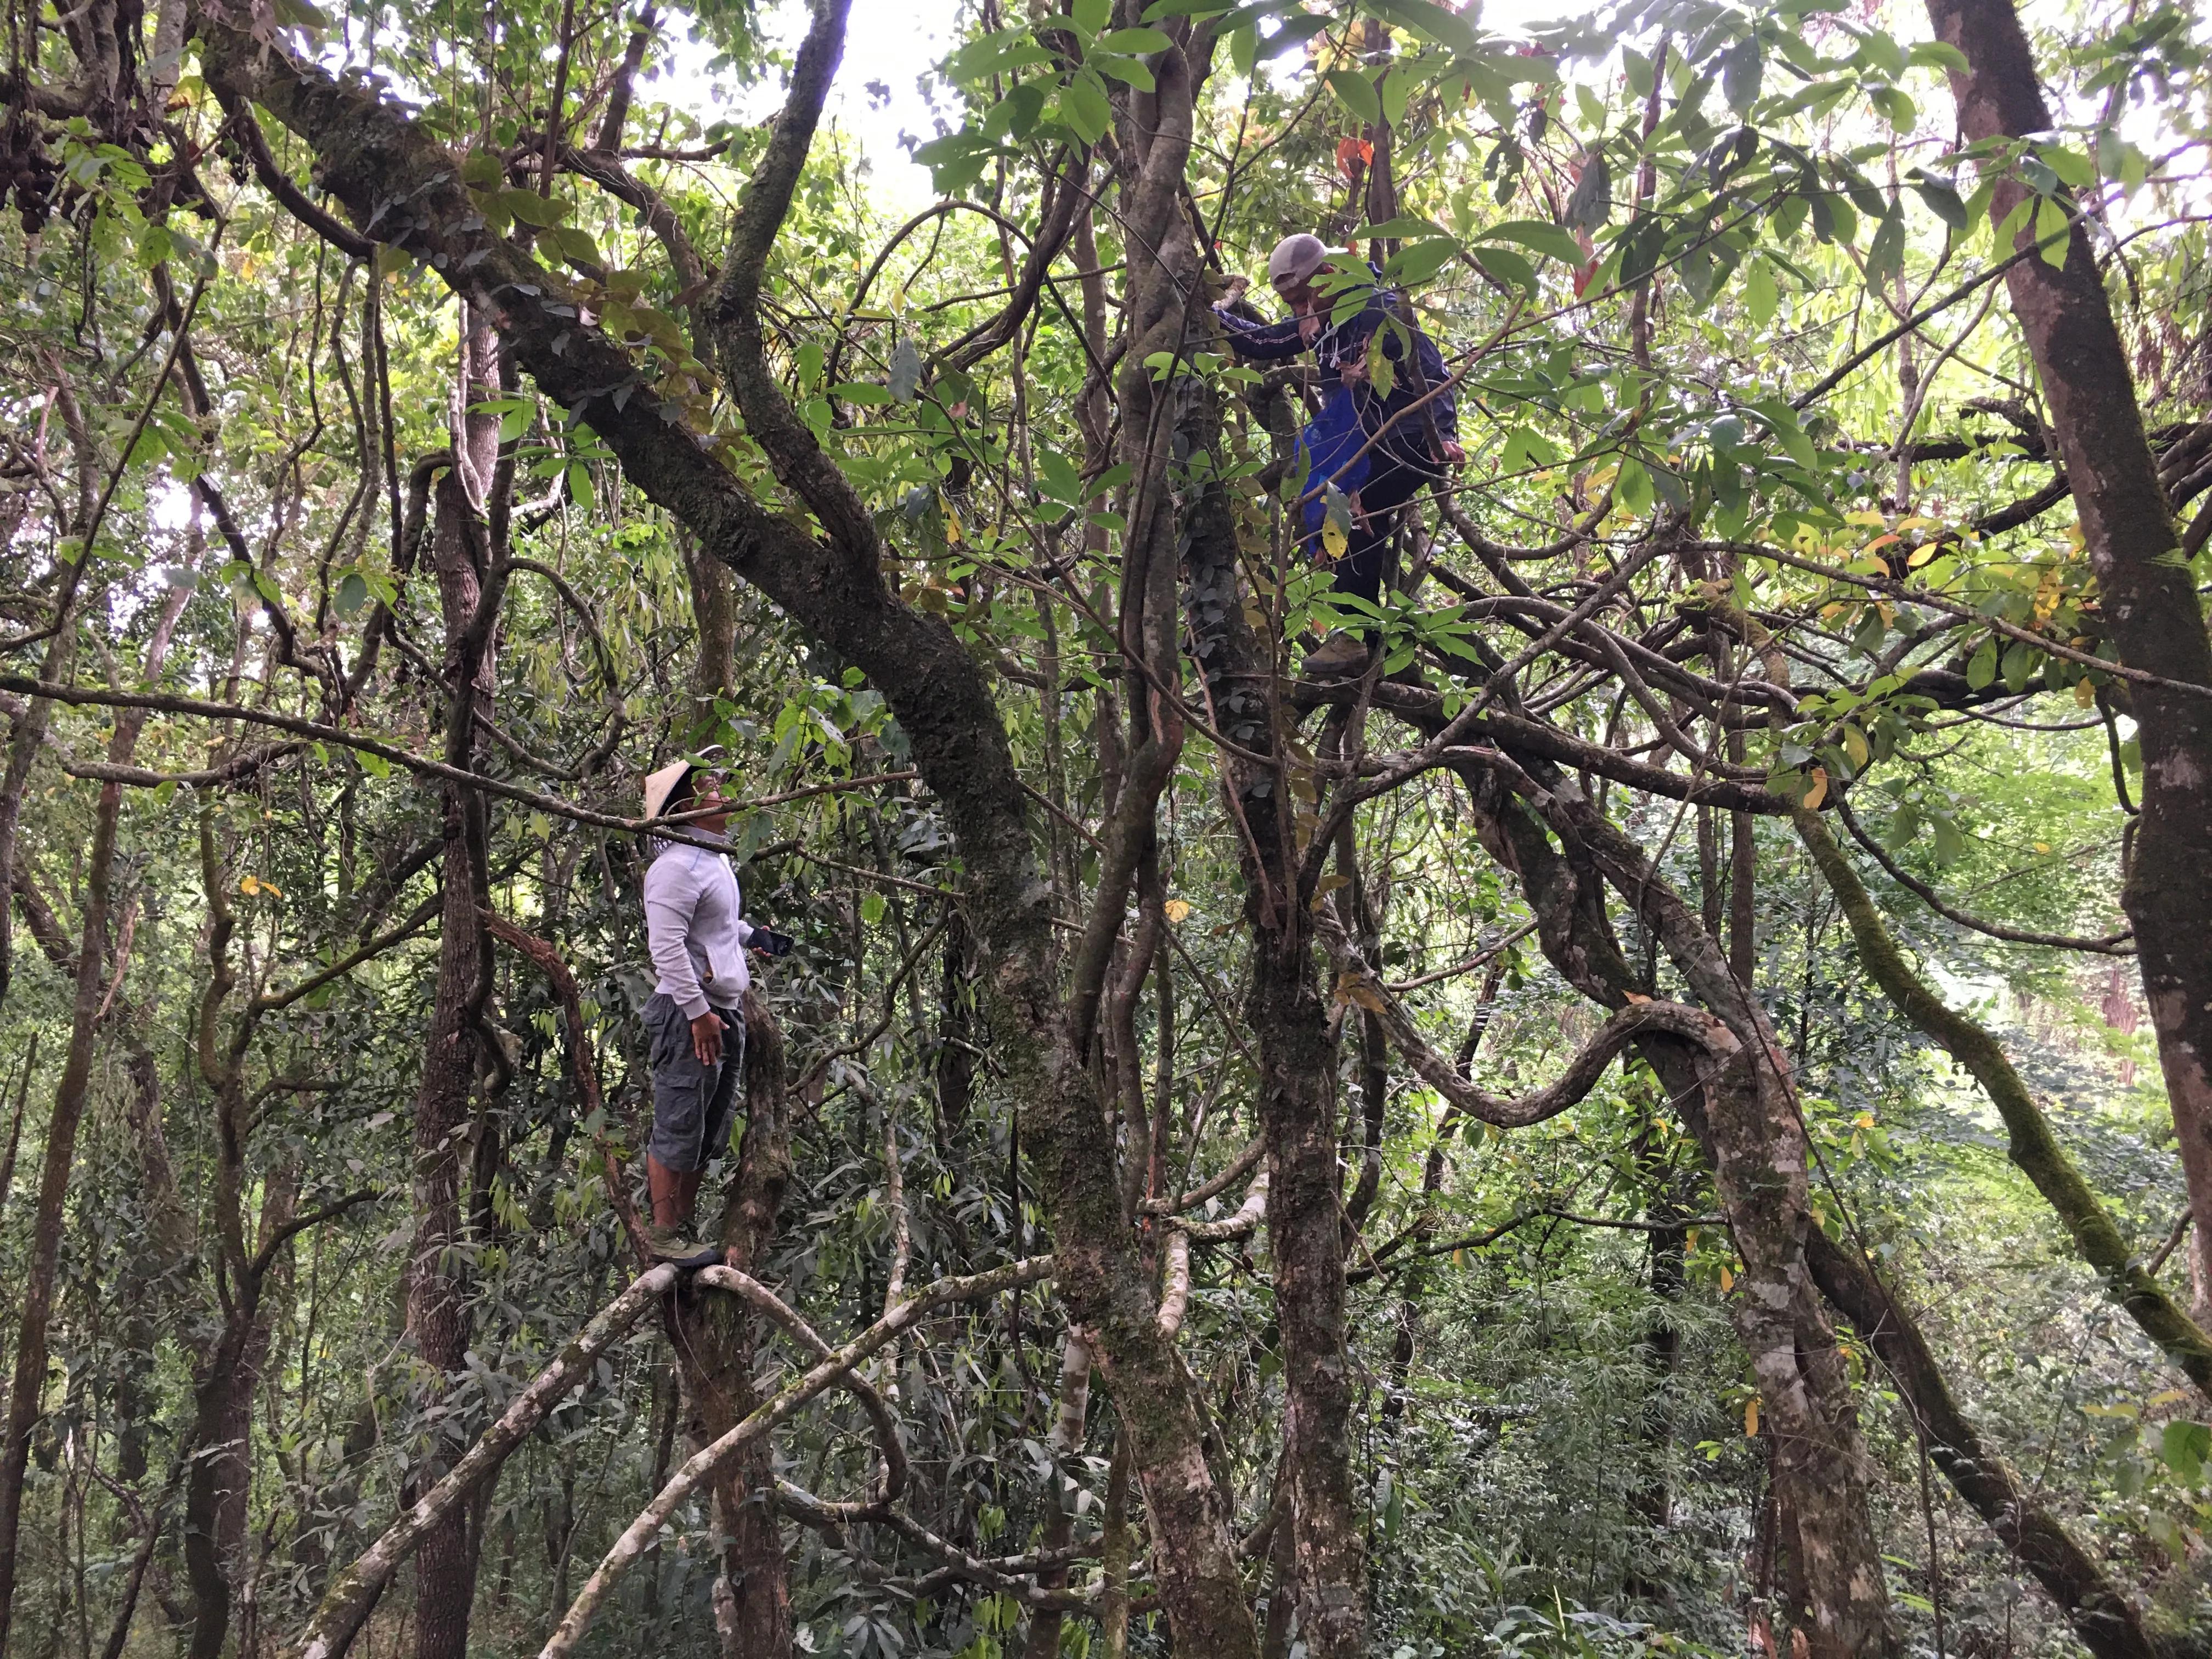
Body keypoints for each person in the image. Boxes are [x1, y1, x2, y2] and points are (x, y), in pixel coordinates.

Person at [1215, 232, 1465, 676]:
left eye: (1302, 298)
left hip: (1408, 436)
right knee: (1356, 518)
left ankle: (1353, 638)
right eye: (1291, 303)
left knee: (1351, 510)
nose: (1298, 311)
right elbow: (1263, 342)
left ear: (1329, 278)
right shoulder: (1324, 320)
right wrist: (1214, 312)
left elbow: (1428, 367)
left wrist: (1442, 433)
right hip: (1366, 444)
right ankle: (1383, 648)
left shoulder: (1376, 308)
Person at [637, 749, 792, 1266]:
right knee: (679, 1121)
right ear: (684, 804)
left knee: (708, 1127)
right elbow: (667, 947)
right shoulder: (675, 867)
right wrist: (698, 1013)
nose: (723, 793)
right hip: (690, 1015)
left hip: (722, 1010)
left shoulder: (715, 859)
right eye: (710, 788)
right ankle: (663, 1235)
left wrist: (756, 936)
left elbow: (717, 929)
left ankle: (682, 1231)